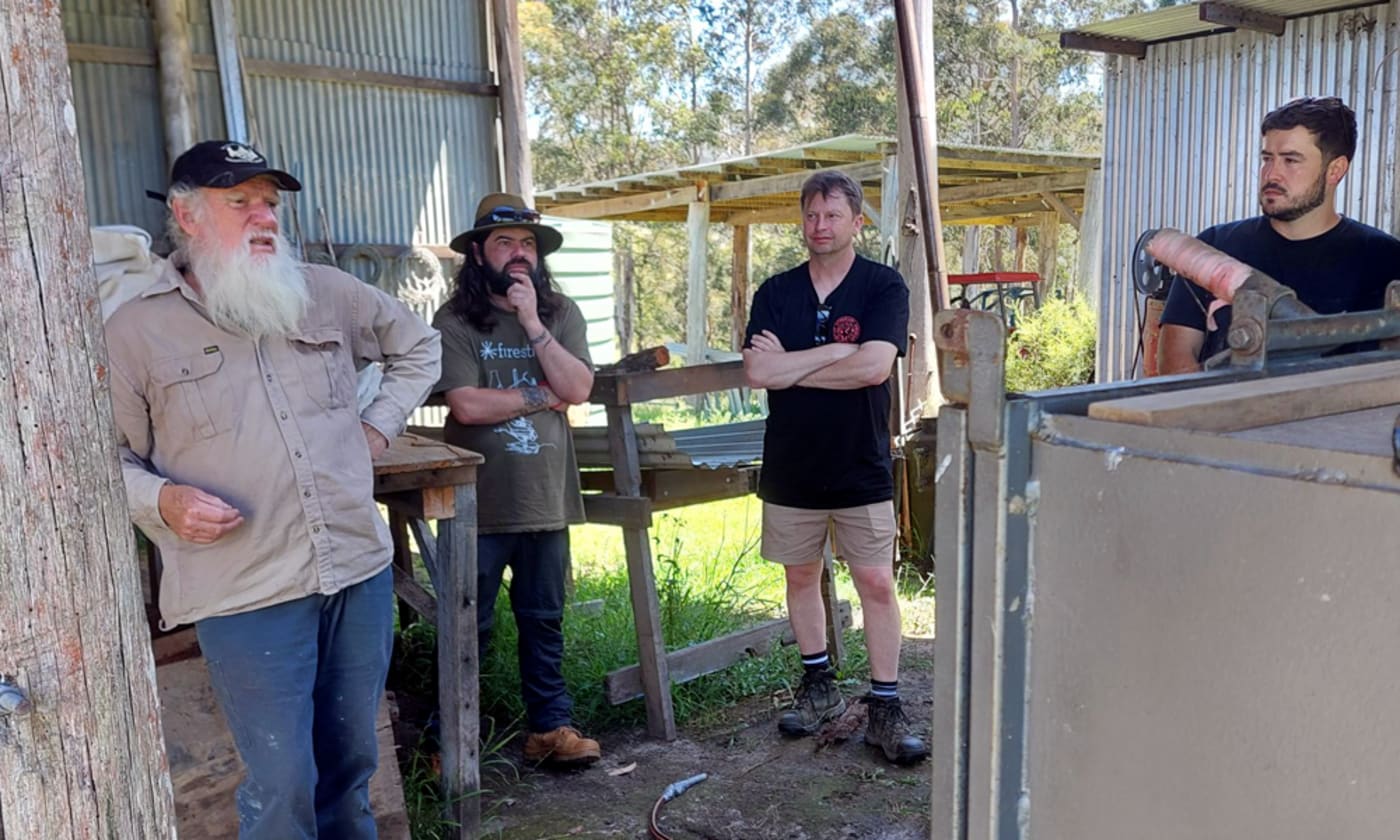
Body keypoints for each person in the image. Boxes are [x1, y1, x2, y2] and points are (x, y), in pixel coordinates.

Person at [105, 140, 441, 837]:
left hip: (355, 567)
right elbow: (104, 460)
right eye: (240, 202)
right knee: (285, 784)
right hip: (247, 589)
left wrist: (376, 428)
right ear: (186, 216)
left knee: (351, 765)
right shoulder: (136, 331)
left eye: (270, 202)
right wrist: (160, 502)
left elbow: (419, 346)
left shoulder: (325, 293)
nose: (264, 217)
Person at [742, 171, 928, 765]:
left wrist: (791, 366)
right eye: (810, 216)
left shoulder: (882, 286)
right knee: (800, 578)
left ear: (856, 222)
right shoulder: (776, 291)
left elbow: (874, 368)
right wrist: (831, 355)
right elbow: (758, 373)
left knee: (875, 582)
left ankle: (885, 707)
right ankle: (818, 685)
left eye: (831, 216)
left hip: (860, 464)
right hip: (792, 466)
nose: (819, 226)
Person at [432, 193, 600, 767]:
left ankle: (550, 732)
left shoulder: (559, 313)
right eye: (505, 242)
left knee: (544, 622)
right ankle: (451, 742)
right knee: (466, 627)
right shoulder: (455, 320)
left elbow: (577, 388)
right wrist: (538, 395)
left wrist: (530, 322)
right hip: (477, 503)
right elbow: (467, 405)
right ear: (478, 253)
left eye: (528, 243)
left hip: (546, 499)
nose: (519, 253)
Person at [1159, 96, 1400, 373]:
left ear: (1335, 170)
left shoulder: (1386, 261)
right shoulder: (1214, 248)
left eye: (1290, 160)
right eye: (1267, 159)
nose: (1271, 174)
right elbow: (1175, 364)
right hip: (1226, 414)